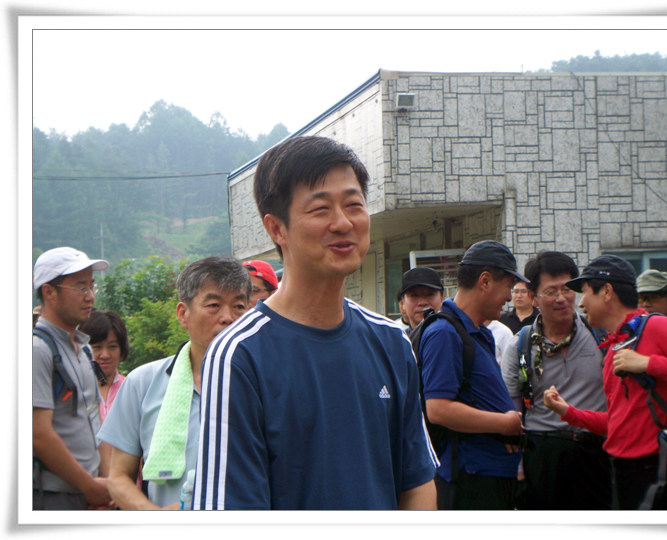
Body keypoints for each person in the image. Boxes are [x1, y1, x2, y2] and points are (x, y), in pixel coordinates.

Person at [194, 135, 438, 510]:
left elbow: (417, 482)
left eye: (354, 204)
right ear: (277, 228)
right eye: (321, 209)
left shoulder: (392, 341)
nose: (343, 222)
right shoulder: (238, 356)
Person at [97, 257, 251, 510]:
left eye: (239, 306)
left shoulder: (266, 383)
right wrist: (158, 520)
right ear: (183, 314)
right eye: (214, 305)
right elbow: (119, 477)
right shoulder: (142, 383)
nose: (227, 317)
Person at [544, 255, 667, 510]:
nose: (581, 303)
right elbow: (616, 422)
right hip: (622, 469)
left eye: (585, 292)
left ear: (606, 291)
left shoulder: (657, 326)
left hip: (658, 467)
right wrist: (568, 412)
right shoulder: (614, 347)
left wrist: (648, 364)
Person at [417, 240, 525, 510]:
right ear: (485, 281)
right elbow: (438, 410)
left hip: (490, 476)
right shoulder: (444, 333)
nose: (510, 297)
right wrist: (503, 424)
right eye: (508, 286)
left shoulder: (478, 333)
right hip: (469, 481)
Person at [501, 251, 611, 510]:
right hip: (542, 454)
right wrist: (519, 468)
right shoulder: (519, 346)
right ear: (533, 297)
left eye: (567, 289)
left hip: (595, 450)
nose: (561, 298)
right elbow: (513, 408)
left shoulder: (602, 337)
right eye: (551, 291)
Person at [32, 246, 112, 510]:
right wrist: (90, 487)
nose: (90, 296)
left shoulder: (83, 348)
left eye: (91, 285)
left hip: (89, 493)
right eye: (80, 287)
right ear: (49, 292)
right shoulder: (38, 350)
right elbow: (38, 435)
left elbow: (94, 418)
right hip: (54, 496)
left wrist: (108, 484)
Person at [78, 310, 129, 421]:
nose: (105, 355)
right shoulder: (73, 391)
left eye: (112, 346)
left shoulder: (130, 389)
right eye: (97, 347)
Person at [398, 266, 444, 334]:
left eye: (430, 294)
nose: (422, 302)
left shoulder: (454, 335)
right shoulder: (397, 338)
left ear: (442, 298)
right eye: (414, 295)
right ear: (403, 302)